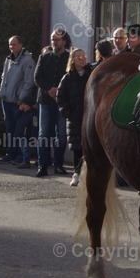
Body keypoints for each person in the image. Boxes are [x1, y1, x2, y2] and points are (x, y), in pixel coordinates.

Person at [33, 28, 71, 178]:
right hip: (46, 101)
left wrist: (59, 91)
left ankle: (59, 164)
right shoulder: (44, 57)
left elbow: (71, 78)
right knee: (44, 134)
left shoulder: (69, 58)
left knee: (61, 134)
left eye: (56, 40)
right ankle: (42, 165)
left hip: (62, 102)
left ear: (64, 41)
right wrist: (49, 89)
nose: (54, 43)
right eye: (52, 40)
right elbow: (37, 77)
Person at [0, 36, 36, 168]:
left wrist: (22, 98)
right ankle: (11, 153)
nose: (12, 47)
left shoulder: (28, 60)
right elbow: (4, 77)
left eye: (14, 44)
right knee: (9, 129)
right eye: (10, 45)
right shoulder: (8, 59)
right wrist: (1, 92)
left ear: (21, 45)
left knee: (19, 131)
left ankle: (21, 156)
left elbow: (29, 81)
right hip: (6, 100)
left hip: (17, 102)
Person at [57, 48, 93, 187]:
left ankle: (90, 174)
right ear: (73, 60)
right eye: (79, 57)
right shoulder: (67, 78)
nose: (82, 58)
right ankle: (76, 174)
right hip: (75, 118)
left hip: (90, 115)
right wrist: (68, 113)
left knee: (90, 146)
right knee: (77, 147)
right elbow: (61, 98)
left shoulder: (91, 74)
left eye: (84, 56)